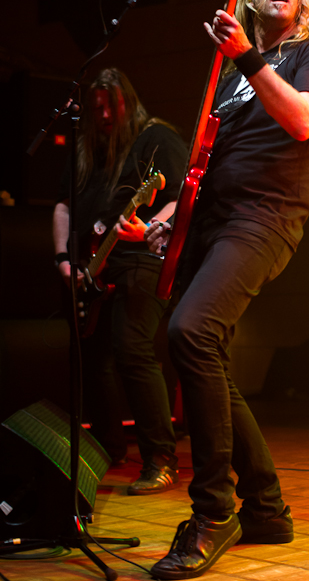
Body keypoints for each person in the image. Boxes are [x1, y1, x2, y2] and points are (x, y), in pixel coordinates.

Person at [146, 0, 309, 579]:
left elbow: (304, 122)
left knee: (192, 332)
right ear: (249, 0)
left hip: (265, 220)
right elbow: (207, 159)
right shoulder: (230, 78)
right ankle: (265, 507)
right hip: (214, 220)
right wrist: (165, 217)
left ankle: (212, 513)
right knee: (202, 352)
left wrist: (247, 58)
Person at [53, 67, 187, 495]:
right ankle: (109, 448)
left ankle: (161, 459)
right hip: (94, 267)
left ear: (127, 100)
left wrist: (150, 227)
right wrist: (62, 259)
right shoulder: (89, 150)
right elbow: (62, 206)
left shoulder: (156, 139)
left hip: (143, 257)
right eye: (95, 109)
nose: (103, 115)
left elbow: (183, 195)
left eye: (110, 105)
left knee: (132, 350)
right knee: (91, 360)